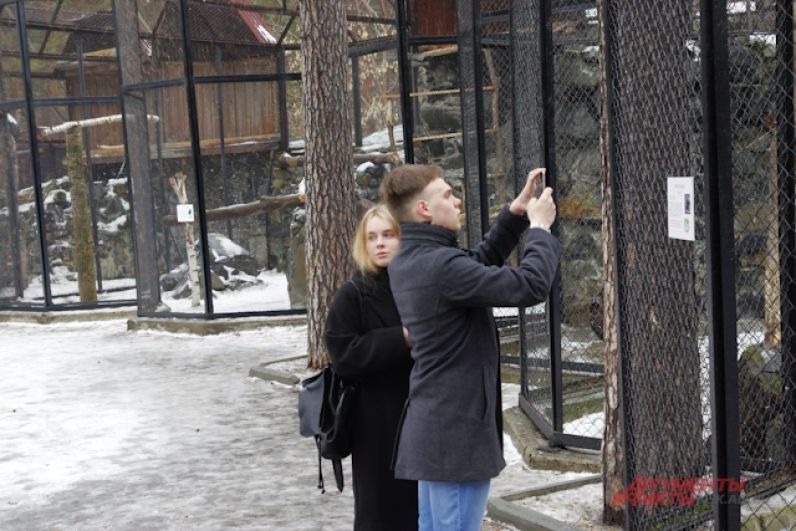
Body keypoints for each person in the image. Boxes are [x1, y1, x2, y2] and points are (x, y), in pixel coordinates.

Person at [380, 164, 560, 531]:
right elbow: (529, 286)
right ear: (425, 210)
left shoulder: (414, 259)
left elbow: (473, 266)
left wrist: (515, 215)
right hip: (455, 437)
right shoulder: (440, 266)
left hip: (436, 432)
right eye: (447, 194)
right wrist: (539, 229)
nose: (457, 200)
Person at [324, 204, 418, 531]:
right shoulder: (353, 294)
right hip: (374, 423)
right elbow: (343, 355)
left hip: (421, 416)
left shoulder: (416, 286)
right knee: (379, 511)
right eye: (372, 237)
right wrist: (400, 339)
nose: (380, 244)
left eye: (388, 235)